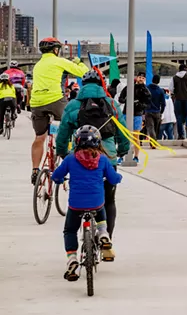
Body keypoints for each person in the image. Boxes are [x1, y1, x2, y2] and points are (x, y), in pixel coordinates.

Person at [56, 70, 129, 260]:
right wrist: (122, 149)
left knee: (79, 199)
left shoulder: (73, 105)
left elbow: (64, 130)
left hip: (79, 157)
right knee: (109, 201)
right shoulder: (111, 103)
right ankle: (107, 241)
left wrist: (63, 151)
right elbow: (122, 129)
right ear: (101, 84)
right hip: (107, 157)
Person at [52, 126, 123, 281]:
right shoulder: (103, 159)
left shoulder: (70, 158)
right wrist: (118, 178)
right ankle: (103, 233)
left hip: (76, 204)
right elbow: (113, 178)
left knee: (70, 230)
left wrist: (58, 179)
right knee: (101, 207)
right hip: (96, 202)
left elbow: (57, 175)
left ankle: (72, 259)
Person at [30, 38, 89, 184]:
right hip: (55, 100)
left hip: (36, 103)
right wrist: (78, 62)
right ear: (56, 50)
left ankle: (35, 170)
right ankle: (69, 158)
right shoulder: (59, 61)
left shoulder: (37, 65)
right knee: (72, 125)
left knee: (39, 137)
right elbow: (84, 72)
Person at [119, 72, 152, 160]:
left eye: (143, 78)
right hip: (126, 113)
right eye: (139, 77)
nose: (141, 79)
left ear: (144, 80)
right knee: (125, 135)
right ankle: (122, 155)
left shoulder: (146, 90)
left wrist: (140, 105)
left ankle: (136, 156)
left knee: (136, 136)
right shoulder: (128, 87)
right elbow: (121, 99)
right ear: (136, 78)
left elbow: (148, 102)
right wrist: (126, 100)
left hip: (137, 114)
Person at [144, 75, 166, 145]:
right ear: (159, 81)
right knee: (156, 129)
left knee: (150, 127)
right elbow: (163, 103)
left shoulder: (147, 88)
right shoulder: (160, 91)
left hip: (148, 111)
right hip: (157, 112)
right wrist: (161, 111)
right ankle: (153, 142)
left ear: (152, 80)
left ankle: (153, 142)